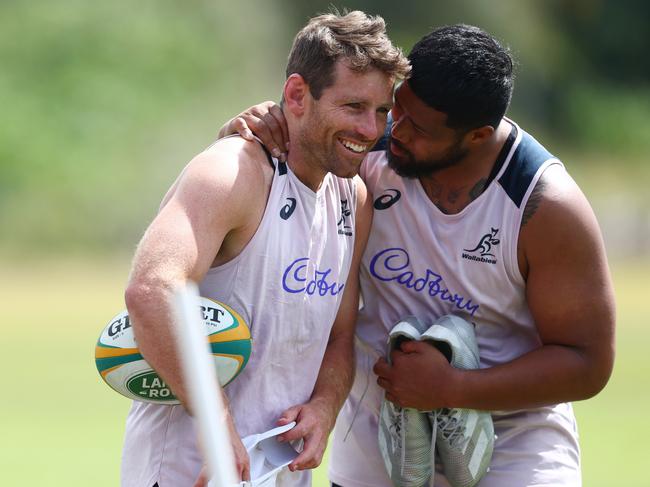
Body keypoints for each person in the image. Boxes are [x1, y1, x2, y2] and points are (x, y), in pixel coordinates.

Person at [219, 24, 616, 487]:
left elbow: (587, 363)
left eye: (418, 128)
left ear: (476, 136)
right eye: (396, 109)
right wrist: (245, 133)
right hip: (377, 439)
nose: (391, 131)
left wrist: (454, 389)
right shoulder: (368, 149)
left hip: (513, 446)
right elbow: (282, 155)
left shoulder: (544, 206)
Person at [120, 11, 410, 487]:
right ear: (297, 95)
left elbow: (340, 334)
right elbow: (153, 289)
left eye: (381, 111)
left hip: (281, 474)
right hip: (187, 472)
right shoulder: (231, 172)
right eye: (354, 106)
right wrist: (217, 428)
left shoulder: (352, 198)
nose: (370, 129)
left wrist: (324, 405)